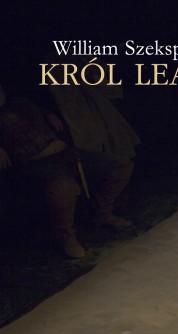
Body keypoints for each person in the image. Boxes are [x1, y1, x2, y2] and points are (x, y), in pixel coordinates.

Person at [0, 84, 133, 259]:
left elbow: (40, 112)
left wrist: (48, 114)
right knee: (63, 188)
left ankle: (102, 213)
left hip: (65, 152)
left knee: (120, 166)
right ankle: (67, 237)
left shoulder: (20, 103)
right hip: (36, 163)